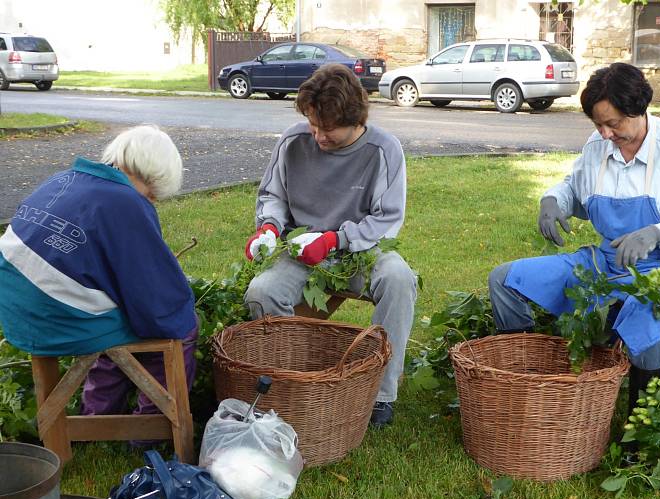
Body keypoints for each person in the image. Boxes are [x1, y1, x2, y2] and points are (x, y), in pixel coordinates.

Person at [488, 62, 660, 412]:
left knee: (642, 307)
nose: (604, 134)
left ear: (639, 109)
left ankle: (643, 421)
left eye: (613, 124)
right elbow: (576, 187)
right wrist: (553, 200)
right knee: (505, 280)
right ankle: (527, 378)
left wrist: (657, 233)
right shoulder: (598, 145)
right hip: (603, 264)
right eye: (598, 124)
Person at [243, 63, 417, 428]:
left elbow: (386, 219)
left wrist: (337, 239)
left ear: (357, 120)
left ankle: (381, 395)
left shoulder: (383, 150)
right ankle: (293, 381)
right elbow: (272, 195)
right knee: (261, 292)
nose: (319, 136)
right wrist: (270, 228)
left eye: (329, 129)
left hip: (360, 253)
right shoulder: (293, 141)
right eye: (313, 124)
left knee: (399, 279)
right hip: (300, 253)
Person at [0, 124, 198, 419]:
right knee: (179, 326)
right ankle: (153, 425)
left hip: (14, 312)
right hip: (54, 321)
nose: (153, 200)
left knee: (115, 317)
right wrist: (179, 310)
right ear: (153, 175)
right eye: (154, 193)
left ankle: (95, 414)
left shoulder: (65, 178)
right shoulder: (126, 202)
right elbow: (153, 292)